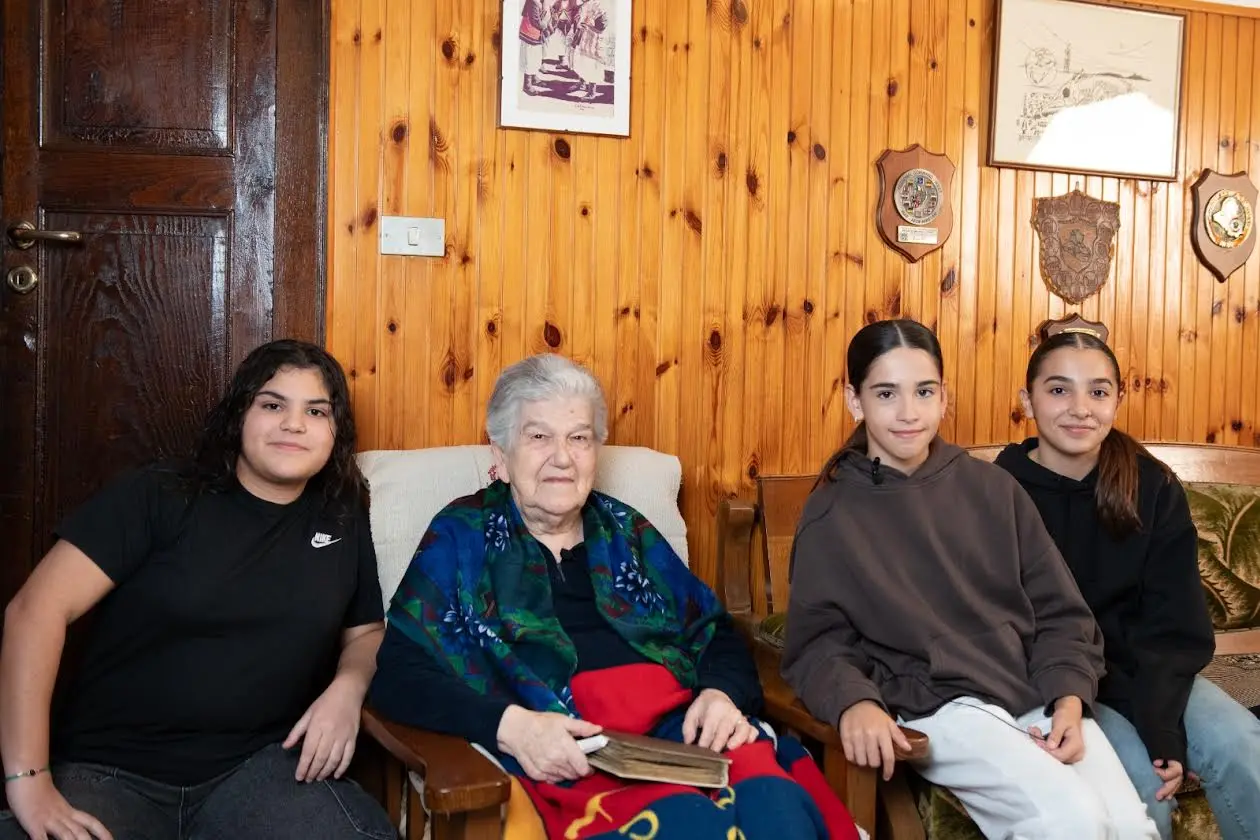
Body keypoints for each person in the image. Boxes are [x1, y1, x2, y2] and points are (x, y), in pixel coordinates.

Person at [370, 354, 858, 840]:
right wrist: (511, 727)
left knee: (779, 811)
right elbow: (399, 671)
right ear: (499, 454)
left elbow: (712, 632)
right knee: (686, 826)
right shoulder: (462, 535)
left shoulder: (627, 531)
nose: (562, 457)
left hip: (681, 737)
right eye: (538, 436)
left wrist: (721, 695)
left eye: (579, 438)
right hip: (564, 748)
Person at [0, 340, 394, 840]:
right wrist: (28, 781)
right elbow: (34, 612)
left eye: (316, 410)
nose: (294, 424)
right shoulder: (159, 494)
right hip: (113, 772)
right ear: (239, 416)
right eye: (273, 405)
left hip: (261, 771)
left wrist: (348, 688)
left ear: (335, 430)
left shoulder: (341, 513)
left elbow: (366, 634)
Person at [782, 319, 1159, 839]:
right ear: (854, 400)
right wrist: (856, 701)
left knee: (1131, 827)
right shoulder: (832, 515)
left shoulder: (993, 489)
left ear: (944, 398)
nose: (909, 412)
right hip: (938, 709)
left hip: (1032, 694)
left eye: (924, 391)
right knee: (1072, 821)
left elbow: (1061, 612)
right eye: (886, 393)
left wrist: (1069, 699)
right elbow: (817, 642)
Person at [995, 328, 1260, 839]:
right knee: (1142, 788)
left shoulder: (1151, 485)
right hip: (1059, 683)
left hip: (1148, 673)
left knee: (1244, 746)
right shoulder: (995, 491)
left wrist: (1161, 727)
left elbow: (1175, 623)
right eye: (1058, 390)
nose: (1080, 408)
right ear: (1026, 400)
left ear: (1118, 398)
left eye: (1097, 391)